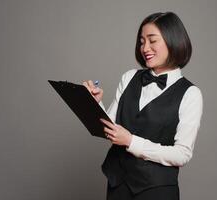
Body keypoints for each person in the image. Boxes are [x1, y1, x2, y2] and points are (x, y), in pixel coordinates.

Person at [83, 12, 203, 200]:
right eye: (141, 41)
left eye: (152, 40)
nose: (145, 48)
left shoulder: (191, 94)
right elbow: (111, 129)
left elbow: (182, 154)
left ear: (173, 40)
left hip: (157, 191)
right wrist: (94, 103)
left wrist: (131, 141)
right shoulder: (129, 77)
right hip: (118, 185)